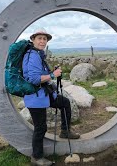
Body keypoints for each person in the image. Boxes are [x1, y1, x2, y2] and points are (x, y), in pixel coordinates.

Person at [22, 28, 80, 166]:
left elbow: (41, 74)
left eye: (44, 39)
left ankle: (65, 131)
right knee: (40, 127)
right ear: (33, 40)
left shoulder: (38, 54)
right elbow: (34, 79)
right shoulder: (32, 56)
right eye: (39, 38)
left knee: (65, 103)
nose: (42, 41)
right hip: (35, 98)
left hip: (44, 95)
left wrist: (52, 72)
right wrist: (53, 75)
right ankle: (37, 157)